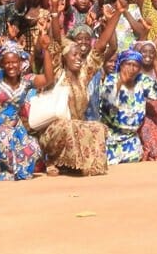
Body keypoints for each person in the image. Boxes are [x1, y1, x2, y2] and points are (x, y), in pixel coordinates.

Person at [0, 39, 53, 181]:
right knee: (4, 136)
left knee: (33, 147)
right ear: (2, 64)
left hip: (16, 129)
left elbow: (48, 79)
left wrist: (46, 50)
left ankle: (14, 169)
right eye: (7, 62)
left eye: (14, 62)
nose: (11, 66)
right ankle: (0, 168)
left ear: (21, 63)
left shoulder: (26, 81)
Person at [35, 38, 108, 176]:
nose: (78, 58)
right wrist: (54, 20)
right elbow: (55, 44)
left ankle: (89, 164)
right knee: (69, 126)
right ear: (64, 58)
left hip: (76, 126)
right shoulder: (57, 74)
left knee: (98, 127)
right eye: (74, 55)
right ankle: (51, 160)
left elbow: (100, 47)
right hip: (53, 130)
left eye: (80, 55)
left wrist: (114, 22)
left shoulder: (83, 76)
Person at [98, 47, 157, 164]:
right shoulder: (112, 79)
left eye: (135, 66)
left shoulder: (142, 80)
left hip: (131, 137)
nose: (131, 69)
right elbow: (106, 106)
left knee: (133, 159)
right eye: (128, 64)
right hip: (112, 135)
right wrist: (120, 83)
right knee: (109, 160)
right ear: (121, 65)